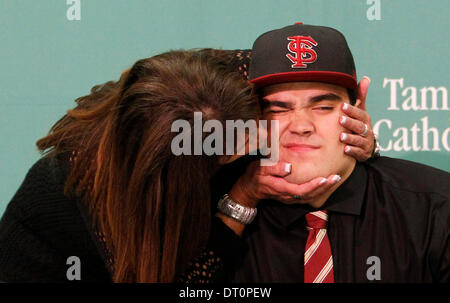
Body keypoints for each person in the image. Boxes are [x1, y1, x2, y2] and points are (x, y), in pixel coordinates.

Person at [0, 48, 375, 282]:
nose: (262, 144)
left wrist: (358, 138)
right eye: (234, 150)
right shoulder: (92, 192)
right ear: (188, 173)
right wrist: (243, 195)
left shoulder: (235, 73)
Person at [204, 23, 449, 283]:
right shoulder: (213, 204)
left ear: (358, 108)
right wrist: (240, 201)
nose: (300, 126)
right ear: (255, 120)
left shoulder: (435, 208)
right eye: (278, 110)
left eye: (322, 107)